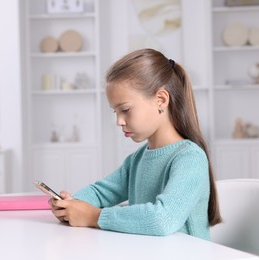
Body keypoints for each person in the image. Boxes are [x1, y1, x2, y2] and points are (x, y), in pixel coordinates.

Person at [50, 48, 222, 240]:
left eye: (125, 109)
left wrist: (94, 216)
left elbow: (162, 219)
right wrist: (72, 203)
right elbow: (101, 192)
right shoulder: (137, 160)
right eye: (115, 112)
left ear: (161, 100)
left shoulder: (190, 158)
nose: (119, 121)